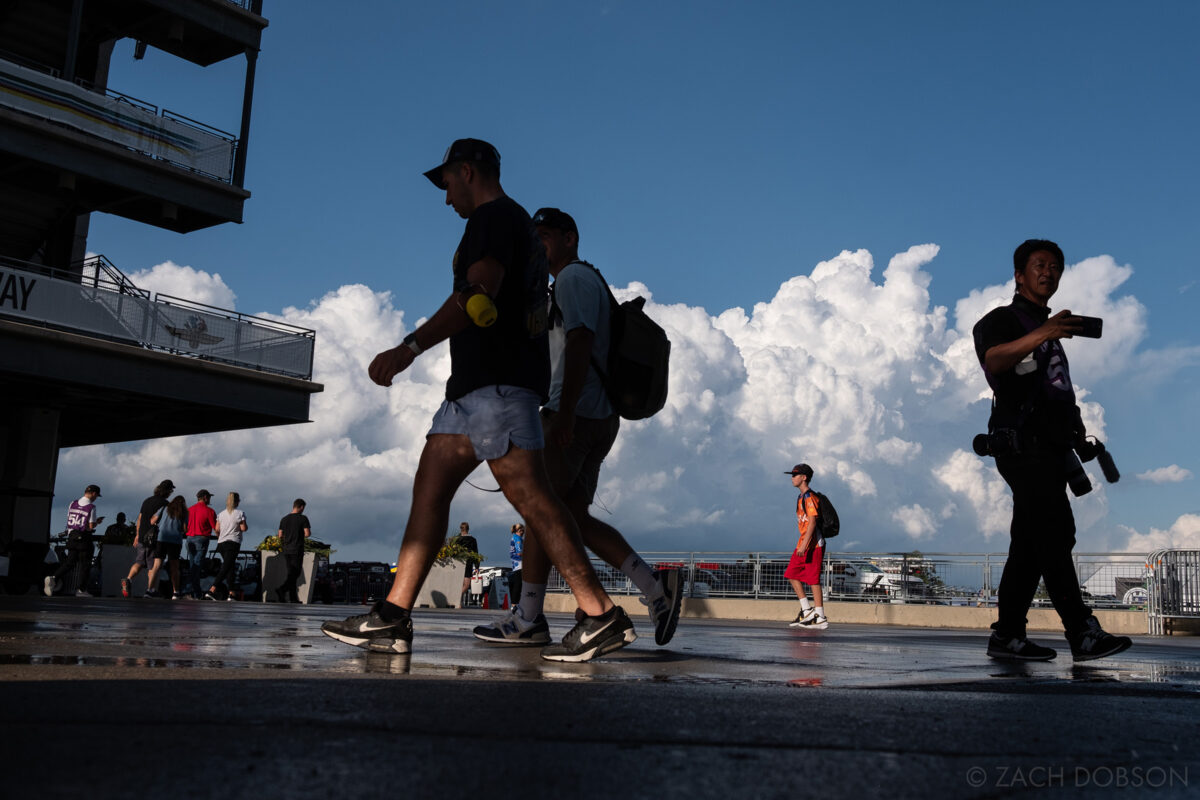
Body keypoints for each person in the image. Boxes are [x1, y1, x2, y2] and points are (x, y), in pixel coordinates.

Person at [322, 139, 635, 662]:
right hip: (473, 392)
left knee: (534, 499)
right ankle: (394, 617)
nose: (446, 199)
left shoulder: (492, 220)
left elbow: (478, 295)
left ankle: (601, 615)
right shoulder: (519, 231)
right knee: (430, 490)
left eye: (446, 184)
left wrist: (410, 347)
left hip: (496, 387)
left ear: (466, 172)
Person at [474, 208, 681, 648]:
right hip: (597, 417)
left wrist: (563, 413)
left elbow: (580, 340)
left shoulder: (571, 278)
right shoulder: (578, 281)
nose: (538, 244)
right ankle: (654, 588)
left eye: (545, 235)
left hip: (576, 415)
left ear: (570, 238)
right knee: (573, 520)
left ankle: (528, 617)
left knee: (538, 510)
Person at [972, 238, 1132, 662]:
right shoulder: (1003, 320)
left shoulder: (1050, 332)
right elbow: (994, 361)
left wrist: (1077, 433)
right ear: (1019, 275)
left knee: (1030, 542)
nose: (1049, 272)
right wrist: (1045, 331)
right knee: (1054, 532)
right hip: (1022, 448)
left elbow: (1053, 389)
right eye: (1039, 265)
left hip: (1052, 449)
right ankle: (1082, 631)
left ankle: (1007, 636)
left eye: (1056, 267)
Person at [783, 464, 828, 629]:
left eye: (795, 475)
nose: (792, 478)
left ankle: (820, 617)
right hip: (803, 543)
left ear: (804, 477)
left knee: (813, 579)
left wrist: (804, 545)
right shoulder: (800, 497)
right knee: (791, 574)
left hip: (813, 544)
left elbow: (812, 523)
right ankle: (806, 610)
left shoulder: (810, 497)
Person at [44, 484, 102, 597]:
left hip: (72, 536)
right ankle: (81, 590)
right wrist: (97, 522)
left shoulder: (73, 503)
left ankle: (53, 577)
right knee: (85, 565)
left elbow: (69, 520)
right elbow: (90, 526)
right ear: (94, 494)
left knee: (69, 563)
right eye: (96, 496)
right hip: (84, 538)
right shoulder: (91, 507)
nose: (96, 498)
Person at [122, 479, 174, 598]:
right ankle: (150, 590)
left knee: (139, 562)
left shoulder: (147, 501)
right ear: (168, 491)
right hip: (154, 538)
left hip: (142, 537)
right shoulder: (165, 504)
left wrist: (137, 535)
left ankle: (128, 579)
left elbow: (139, 519)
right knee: (153, 566)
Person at [207, 492, 248, 601]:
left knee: (229, 567)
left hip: (221, 543)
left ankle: (232, 593)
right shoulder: (240, 513)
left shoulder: (221, 514)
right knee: (226, 567)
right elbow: (243, 528)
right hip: (233, 543)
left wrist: (221, 535)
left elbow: (216, 529)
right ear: (237, 501)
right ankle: (212, 589)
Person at [146, 495, 187, 599]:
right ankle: (176, 592)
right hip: (175, 541)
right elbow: (185, 529)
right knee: (174, 567)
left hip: (162, 538)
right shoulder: (184, 512)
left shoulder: (164, 508)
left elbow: (152, 521)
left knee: (156, 565)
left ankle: (149, 590)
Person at [184, 490, 219, 599]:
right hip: (202, 539)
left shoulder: (189, 510)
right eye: (209, 497)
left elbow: (184, 526)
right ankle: (189, 590)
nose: (210, 500)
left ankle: (196, 592)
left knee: (193, 565)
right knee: (197, 566)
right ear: (205, 497)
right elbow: (215, 528)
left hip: (189, 539)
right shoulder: (209, 511)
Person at [276, 499, 311, 603]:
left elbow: (280, 535)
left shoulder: (284, 519)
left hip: (286, 549)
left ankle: (293, 598)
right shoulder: (303, 518)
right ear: (301, 507)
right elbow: (307, 534)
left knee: (291, 574)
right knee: (296, 573)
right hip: (297, 549)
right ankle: (281, 589)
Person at [451, 522, 480, 606]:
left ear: (461, 529)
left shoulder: (456, 539)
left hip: (457, 563)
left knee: (459, 584)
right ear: (468, 529)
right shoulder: (472, 540)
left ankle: (458, 602)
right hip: (468, 563)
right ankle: (457, 598)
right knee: (466, 585)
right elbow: (476, 554)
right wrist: (477, 567)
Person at [507, 522, 524, 602]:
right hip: (519, 563)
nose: (523, 532)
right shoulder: (517, 539)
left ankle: (514, 603)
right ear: (519, 530)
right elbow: (519, 552)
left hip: (515, 563)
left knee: (518, 584)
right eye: (522, 530)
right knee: (518, 584)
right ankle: (515, 603)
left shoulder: (514, 537)